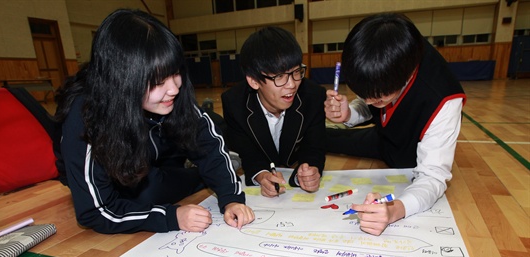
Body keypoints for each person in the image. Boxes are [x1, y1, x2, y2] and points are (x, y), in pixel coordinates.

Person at [54, 9, 254, 234]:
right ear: (123, 81)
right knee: (148, 194)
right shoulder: (86, 117)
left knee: (209, 138)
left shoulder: (171, 93)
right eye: (158, 82)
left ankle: (203, 172)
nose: (174, 88)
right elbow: (95, 211)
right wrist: (171, 217)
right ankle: (198, 173)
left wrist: (231, 198)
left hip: (156, 154)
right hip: (116, 175)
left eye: (176, 72)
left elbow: (208, 145)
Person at [324, 13, 466, 236]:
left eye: (379, 99)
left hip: (412, 152)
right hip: (385, 138)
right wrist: (348, 114)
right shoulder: (384, 61)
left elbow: (433, 177)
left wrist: (395, 210)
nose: (371, 103)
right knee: (329, 138)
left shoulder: (443, 98)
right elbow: (369, 99)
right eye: (363, 94)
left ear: (406, 75)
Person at [222, 26, 326, 197]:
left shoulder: (313, 96)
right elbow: (248, 153)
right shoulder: (234, 103)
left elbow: (314, 147)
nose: (292, 84)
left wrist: (310, 169)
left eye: (296, 72)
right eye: (279, 77)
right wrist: (261, 176)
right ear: (254, 81)